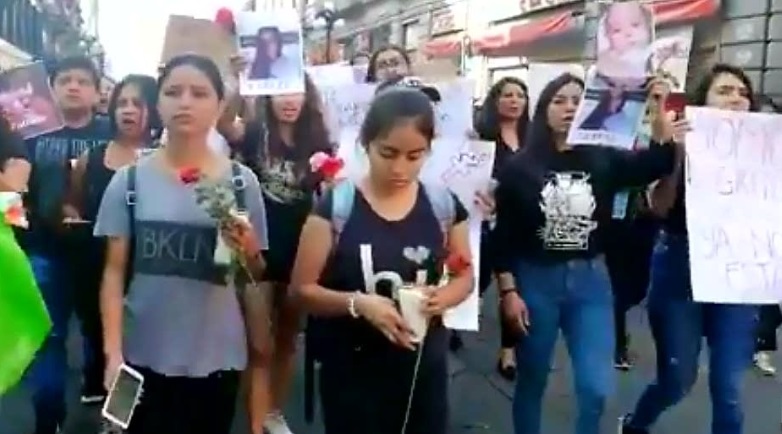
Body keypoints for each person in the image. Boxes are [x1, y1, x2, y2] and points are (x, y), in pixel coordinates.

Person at [494, 72, 678, 434]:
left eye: (577, 101)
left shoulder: (604, 159)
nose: (569, 108)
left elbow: (656, 163)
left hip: (591, 282)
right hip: (536, 281)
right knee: (532, 379)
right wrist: (508, 292)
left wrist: (657, 106)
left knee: (596, 387)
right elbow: (505, 237)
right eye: (559, 101)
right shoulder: (519, 168)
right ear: (544, 109)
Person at [93, 54, 269, 434]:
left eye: (199, 93)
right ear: (158, 104)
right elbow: (113, 272)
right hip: (141, 354)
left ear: (220, 106)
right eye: (173, 92)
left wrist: (249, 249)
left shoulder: (242, 183)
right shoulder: (129, 182)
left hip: (216, 357)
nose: (185, 102)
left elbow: (253, 274)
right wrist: (112, 354)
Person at [292, 85, 473, 434]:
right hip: (353, 370)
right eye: (387, 153)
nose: (400, 168)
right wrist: (359, 304)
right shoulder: (336, 207)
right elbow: (301, 290)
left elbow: (465, 274)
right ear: (366, 144)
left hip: (422, 369)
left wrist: (445, 296)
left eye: (414, 155)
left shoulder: (443, 205)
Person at [619, 63, 761, 434]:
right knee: (677, 379)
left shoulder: (765, 150)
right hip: (681, 265)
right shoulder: (680, 141)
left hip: (739, 272)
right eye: (725, 90)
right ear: (704, 101)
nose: (736, 98)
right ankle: (636, 425)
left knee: (728, 387)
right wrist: (675, 154)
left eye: (743, 92)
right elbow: (659, 208)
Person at [223, 73, 332, 434]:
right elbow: (224, 121)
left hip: (300, 251)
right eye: (281, 91)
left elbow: (331, 192)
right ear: (266, 96)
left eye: (297, 92)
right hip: (256, 249)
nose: (289, 100)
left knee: (286, 339)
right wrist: (240, 80)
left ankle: (272, 411)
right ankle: (254, 420)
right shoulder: (254, 134)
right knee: (260, 344)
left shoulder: (318, 142)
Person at [21, 55, 112, 434]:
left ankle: (96, 381)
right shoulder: (31, 134)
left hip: (98, 252)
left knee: (98, 327)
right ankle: (48, 410)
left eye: (82, 81)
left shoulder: (111, 133)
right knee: (50, 333)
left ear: (96, 92)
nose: (73, 86)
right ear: (51, 89)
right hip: (45, 249)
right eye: (64, 81)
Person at [65, 74, 160, 405]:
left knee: (141, 343)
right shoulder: (93, 157)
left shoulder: (166, 158)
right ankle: (111, 404)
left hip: (150, 268)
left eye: (137, 103)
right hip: (97, 267)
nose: (128, 111)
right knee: (104, 338)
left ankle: (131, 407)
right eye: (121, 103)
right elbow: (75, 199)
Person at [604, 79, 672, 371]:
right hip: (614, 219)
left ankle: (616, 319)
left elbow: (664, 164)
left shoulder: (662, 128)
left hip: (647, 220)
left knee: (637, 287)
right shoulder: (610, 130)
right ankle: (617, 341)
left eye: (655, 99)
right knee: (616, 286)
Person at [473, 76, 530, 379]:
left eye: (520, 95)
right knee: (479, 280)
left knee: (512, 287)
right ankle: (459, 320)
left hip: (518, 223)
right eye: (507, 94)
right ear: (495, 101)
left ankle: (508, 351)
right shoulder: (481, 136)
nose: (514, 100)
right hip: (485, 222)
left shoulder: (534, 137)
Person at [596, 1, 654, 79]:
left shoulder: (652, 52)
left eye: (635, 25)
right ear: (607, 36)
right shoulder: (609, 59)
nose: (628, 33)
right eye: (617, 30)